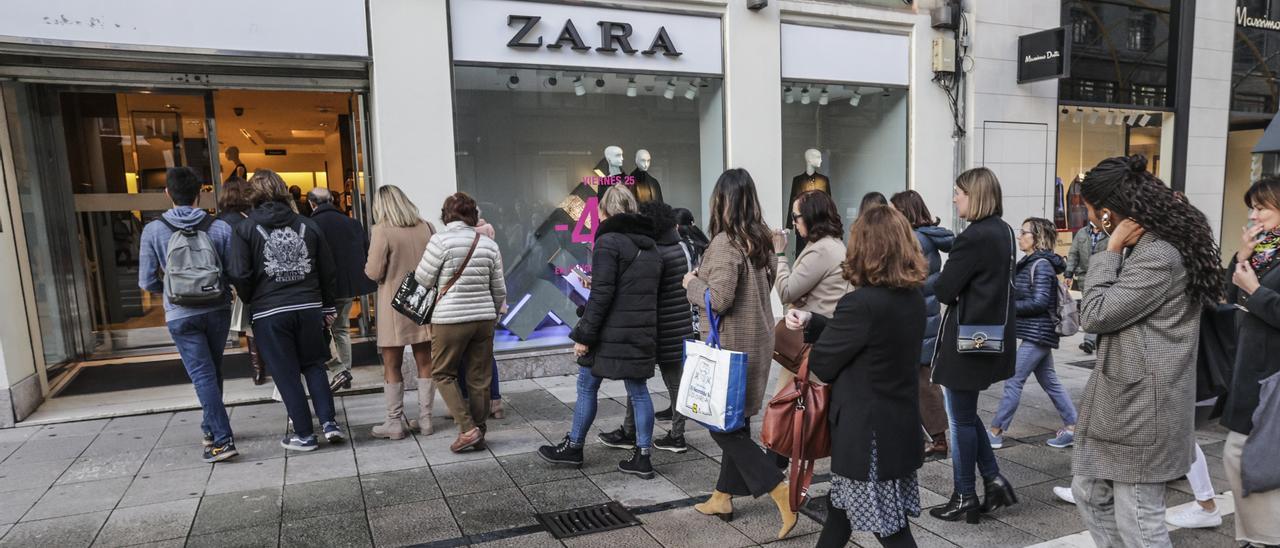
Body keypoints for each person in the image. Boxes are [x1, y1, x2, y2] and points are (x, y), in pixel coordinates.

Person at [1069, 155, 1220, 548]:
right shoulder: (1158, 245)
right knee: (1089, 491)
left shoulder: (1158, 254)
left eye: (1090, 212)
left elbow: (1096, 314)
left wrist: (1110, 249)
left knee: (1138, 517)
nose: (1090, 221)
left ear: (1107, 213)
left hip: (1143, 406)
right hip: (1129, 398)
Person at [787, 205, 927, 548]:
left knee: (890, 528)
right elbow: (870, 340)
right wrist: (815, 321)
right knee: (841, 511)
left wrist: (815, 333)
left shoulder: (862, 304)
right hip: (897, 424)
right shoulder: (912, 297)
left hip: (868, 437)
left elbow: (824, 364)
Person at [684, 168, 797, 540]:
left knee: (722, 426)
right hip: (757, 343)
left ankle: (777, 488)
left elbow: (718, 300)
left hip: (729, 349)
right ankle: (722, 496)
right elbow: (761, 289)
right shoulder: (760, 241)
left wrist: (692, 283)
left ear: (721, 201)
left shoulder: (722, 243)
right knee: (736, 421)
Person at [538, 186, 662, 476]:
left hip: (609, 330)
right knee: (639, 391)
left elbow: (603, 295)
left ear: (605, 212)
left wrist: (583, 336)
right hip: (640, 330)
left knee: (586, 385)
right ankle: (643, 456)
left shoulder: (608, 242)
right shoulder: (650, 245)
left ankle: (574, 447)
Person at [227, 169, 345, 451]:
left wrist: (252, 298)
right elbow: (328, 269)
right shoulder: (307, 224)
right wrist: (327, 305)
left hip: (269, 310)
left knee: (286, 373)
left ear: (252, 194)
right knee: (315, 364)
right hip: (308, 306)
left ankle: (304, 434)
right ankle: (329, 423)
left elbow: (239, 273)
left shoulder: (244, 229)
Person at [928, 167, 1018, 523]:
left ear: (975, 196)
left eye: (958, 192)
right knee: (966, 414)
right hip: (990, 336)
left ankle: (964, 494)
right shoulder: (1005, 231)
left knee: (960, 418)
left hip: (967, 340)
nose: (954, 198)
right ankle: (993, 480)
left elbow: (945, 289)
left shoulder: (974, 237)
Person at [139, 167, 237, 463]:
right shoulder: (220, 228)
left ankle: (222, 439)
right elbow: (232, 273)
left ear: (167, 193)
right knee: (212, 370)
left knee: (202, 374)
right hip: (217, 309)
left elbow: (146, 281)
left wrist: (171, 290)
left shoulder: (154, 230)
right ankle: (211, 428)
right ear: (200, 194)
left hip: (181, 314)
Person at [595, 200, 698, 454]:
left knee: (637, 382)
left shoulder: (656, 252)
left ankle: (635, 432)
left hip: (657, 325)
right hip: (680, 324)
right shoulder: (682, 247)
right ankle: (676, 434)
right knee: (676, 383)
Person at [415, 192, 506, 453]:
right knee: (479, 377)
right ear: (473, 215)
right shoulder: (488, 244)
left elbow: (423, 279)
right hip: (483, 319)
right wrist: (494, 314)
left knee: (443, 373)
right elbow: (499, 288)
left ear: (446, 215)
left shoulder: (439, 240)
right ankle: (480, 430)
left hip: (450, 319)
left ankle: (468, 429)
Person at [766, 190, 849, 467]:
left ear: (812, 217)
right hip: (817, 339)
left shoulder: (822, 250)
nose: (793, 223)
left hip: (809, 344)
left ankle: (775, 477)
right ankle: (776, 472)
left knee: (786, 407)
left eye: (796, 216)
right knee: (793, 408)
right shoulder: (832, 245)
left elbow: (788, 291)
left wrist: (779, 253)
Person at [1221, 177, 1280, 546]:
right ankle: (1256, 536)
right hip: (1251, 365)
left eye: (1263, 207)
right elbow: (1229, 294)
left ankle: (1265, 537)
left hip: (1272, 372)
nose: (1254, 214)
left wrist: (1256, 292)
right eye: (1252, 207)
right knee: (1243, 454)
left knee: (1246, 454)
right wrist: (1242, 256)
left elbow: (1253, 296)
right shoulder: (1265, 251)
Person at [984, 218, 1078, 450]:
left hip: (1039, 333)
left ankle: (995, 431)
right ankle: (1073, 426)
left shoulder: (1042, 265)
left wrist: (1007, 308)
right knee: (1050, 381)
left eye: (1023, 232)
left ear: (1036, 237)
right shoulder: (1033, 262)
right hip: (1037, 333)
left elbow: (1039, 302)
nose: (1019, 236)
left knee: (1014, 380)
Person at [364, 185, 437, 439]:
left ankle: (394, 423)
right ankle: (426, 420)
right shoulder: (426, 227)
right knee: (425, 360)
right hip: (422, 301)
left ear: (381, 206)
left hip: (393, 304)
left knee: (392, 363)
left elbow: (373, 272)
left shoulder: (381, 230)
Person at [891, 190, 954, 460]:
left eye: (894, 211)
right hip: (925, 317)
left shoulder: (914, 240)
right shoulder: (927, 236)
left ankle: (937, 438)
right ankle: (932, 435)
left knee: (922, 381)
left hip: (916, 320)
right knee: (922, 379)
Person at [307, 187, 377, 392]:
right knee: (341, 329)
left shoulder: (310, 224)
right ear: (332, 200)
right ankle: (346, 373)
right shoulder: (352, 223)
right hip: (346, 287)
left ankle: (339, 371)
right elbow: (365, 252)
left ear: (312, 203)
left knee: (318, 332)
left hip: (321, 289)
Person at [218, 179, 266, 386]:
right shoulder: (253, 219)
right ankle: (265, 363)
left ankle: (257, 369)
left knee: (248, 325)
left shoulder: (218, 222)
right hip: (256, 278)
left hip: (231, 281)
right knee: (257, 323)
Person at [457, 218, 505, 420]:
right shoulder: (489, 240)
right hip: (488, 306)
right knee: (486, 355)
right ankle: (495, 402)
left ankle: (466, 401)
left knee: (460, 356)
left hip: (464, 307)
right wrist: (498, 305)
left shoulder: (459, 239)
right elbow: (498, 277)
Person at [1064, 222, 1108, 354]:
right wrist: (1068, 274)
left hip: (1104, 277)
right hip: (1085, 277)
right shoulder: (1082, 233)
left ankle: (1091, 339)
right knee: (1090, 307)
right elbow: (1073, 254)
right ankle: (1091, 339)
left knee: (1098, 308)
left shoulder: (1110, 233)